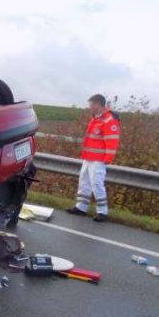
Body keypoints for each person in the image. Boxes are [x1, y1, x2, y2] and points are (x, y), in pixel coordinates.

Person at [67, 94, 120, 222]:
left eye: (91, 105)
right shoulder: (96, 118)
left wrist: (108, 158)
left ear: (98, 104)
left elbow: (112, 141)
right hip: (89, 158)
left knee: (97, 184)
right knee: (84, 182)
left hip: (99, 159)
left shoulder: (109, 120)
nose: (90, 108)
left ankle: (102, 212)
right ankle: (81, 208)